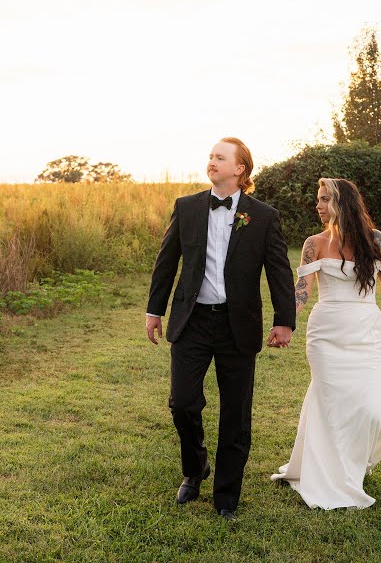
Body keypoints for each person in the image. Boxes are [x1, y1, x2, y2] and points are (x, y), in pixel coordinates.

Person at [145, 137, 296, 521]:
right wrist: (154, 311)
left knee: (236, 413)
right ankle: (195, 469)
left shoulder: (263, 216)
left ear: (239, 169)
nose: (211, 161)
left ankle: (226, 495)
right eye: (210, 156)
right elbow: (167, 261)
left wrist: (284, 319)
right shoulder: (187, 207)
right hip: (192, 320)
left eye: (220, 157)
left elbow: (278, 270)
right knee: (182, 403)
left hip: (237, 325)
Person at [271, 177, 381, 509]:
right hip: (326, 335)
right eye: (318, 199)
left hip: (366, 334)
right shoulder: (314, 243)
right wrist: (285, 323)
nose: (318, 205)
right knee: (330, 404)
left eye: (325, 199)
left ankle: (350, 465)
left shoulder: (375, 240)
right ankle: (331, 475)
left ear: (344, 203)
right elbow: (302, 290)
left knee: (370, 408)